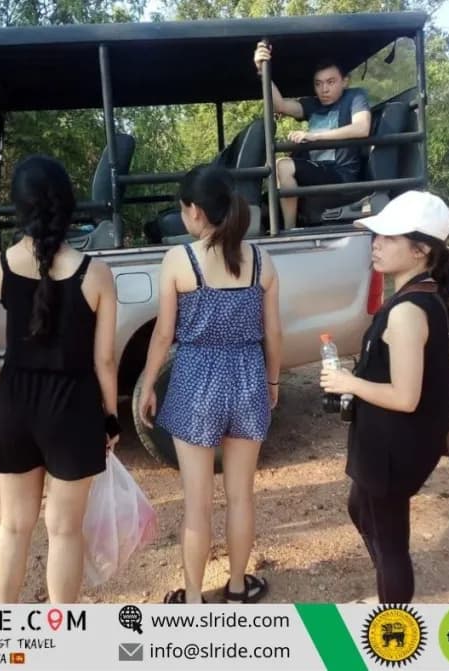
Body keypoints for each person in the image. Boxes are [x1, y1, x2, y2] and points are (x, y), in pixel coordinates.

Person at [0, 155, 119, 603]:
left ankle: (7, 627)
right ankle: (60, 631)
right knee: (66, 531)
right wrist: (110, 418)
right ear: (67, 204)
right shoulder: (97, 273)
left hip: (15, 404)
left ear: (18, 206)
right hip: (73, 407)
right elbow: (106, 361)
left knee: (14, 526)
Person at [138, 165, 282, 604]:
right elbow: (273, 332)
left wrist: (148, 383)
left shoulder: (179, 260)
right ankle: (237, 587)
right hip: (248, 378)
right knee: (241, 497)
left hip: (196, 381)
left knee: (197, 504)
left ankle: (195, 600)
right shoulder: (262, 261)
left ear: (195, 211)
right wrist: (273, 380)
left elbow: (164, 334)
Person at [321, 191, 449, 603]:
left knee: (390, 539)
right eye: (376, 236)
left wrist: (349, 382)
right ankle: (388, 589)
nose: (376, 245)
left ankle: (393, 618)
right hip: (388, 441)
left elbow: (405, 396)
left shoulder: (407, 311)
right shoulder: (417, 297)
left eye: (389, 237)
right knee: (361, 509)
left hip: (396, 447)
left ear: (421, 250)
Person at [253, 41, 371, 230]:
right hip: (317, 170)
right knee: (278, 167)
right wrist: (262, 71)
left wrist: (315, 136)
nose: (324, 89)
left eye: (330, 82)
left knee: (283, 165)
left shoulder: (355, 97)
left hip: (340, 175)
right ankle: (284, 225)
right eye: (318, 84)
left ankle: (290, 230)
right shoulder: (312, 105)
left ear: (345, 81)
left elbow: (362, 128)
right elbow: (280, 105)